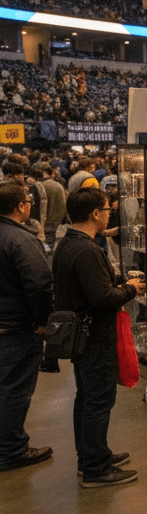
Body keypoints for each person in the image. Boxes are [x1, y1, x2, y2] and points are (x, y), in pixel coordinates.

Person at [53, 187, 145, 487]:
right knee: (98, 400)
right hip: (94, 337)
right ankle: (95, 468)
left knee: (87, 398)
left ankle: (92, 455)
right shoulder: (87, 250)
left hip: (82, 335)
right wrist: (131, 289)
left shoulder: (69, 244)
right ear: (95, 213)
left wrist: (120, 282)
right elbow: (102, 297)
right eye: (107, 210)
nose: (109, 214)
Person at [0, 183, 55, 472]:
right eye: (28, 201)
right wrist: (44, 321)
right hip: (15, 328)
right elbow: (40, 284)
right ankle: (12, 450)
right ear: (21, 206)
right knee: (15, 390)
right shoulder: (21, 240)